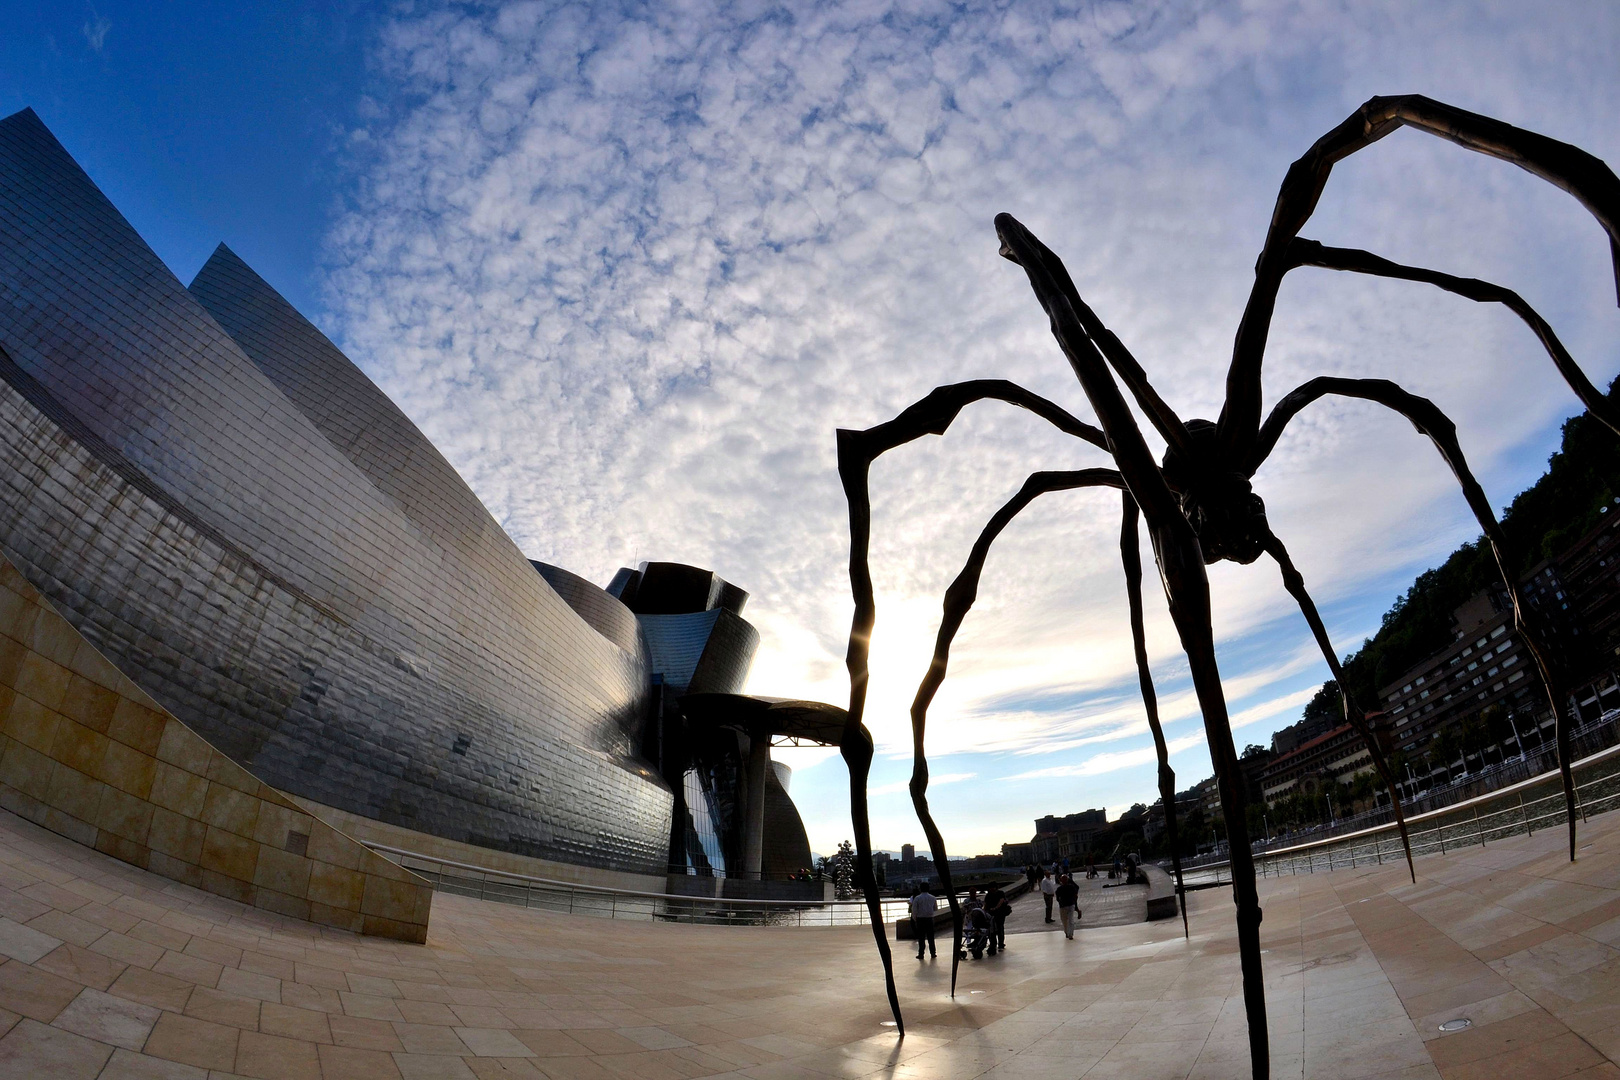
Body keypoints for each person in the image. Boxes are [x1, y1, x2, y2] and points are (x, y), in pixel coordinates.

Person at [909, 886, 937, 960]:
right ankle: (933, 953)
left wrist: (915, 919)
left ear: (920, 889)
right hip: (929, 919)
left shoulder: (917, 898)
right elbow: (935, 909)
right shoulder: (933, 898)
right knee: (931, 937)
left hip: (920, 919)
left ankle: (921, 954)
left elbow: (914, 910)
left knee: (921, 938)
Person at [984, 884, 1011, 954]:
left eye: (992, 887)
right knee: (991, 929)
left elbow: (1001, 901)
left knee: (1000, 928)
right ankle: (993, 944)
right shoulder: (988, 895)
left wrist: (996, 908)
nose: (991, 889)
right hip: (991, 914)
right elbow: (985, 904)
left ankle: (1001, 944)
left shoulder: (1000, 893)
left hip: (1000, 913)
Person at [1056, 873, 1081, 940]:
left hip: (1070, 905)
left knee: (1071, 920)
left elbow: (1075, 895)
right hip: (1063, 906)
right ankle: (1067, 932)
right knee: (1064, 920)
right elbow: (1057, 898)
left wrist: (1074, 904)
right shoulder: (1059, 889)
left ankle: (1070, 934)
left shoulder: (1071, 887)